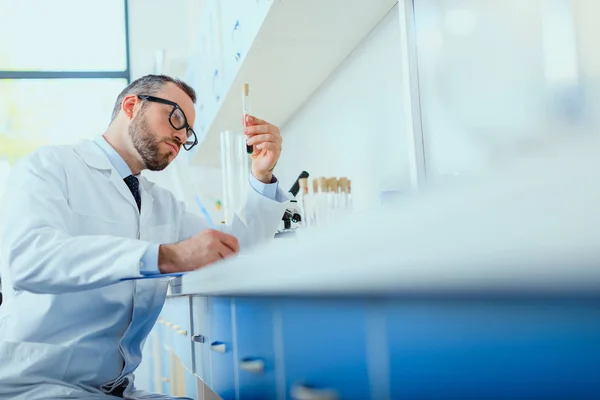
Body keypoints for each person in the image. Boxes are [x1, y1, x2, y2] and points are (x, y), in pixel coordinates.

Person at [0, 74, 289, 399]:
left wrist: (262, 176)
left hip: (116, 389)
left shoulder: (162, 204)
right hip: (37, 385)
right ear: (131, 105)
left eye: (188, 132)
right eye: (176, 118)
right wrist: (166, 256)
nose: (181, 137)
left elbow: (236, 251)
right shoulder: (50, 167)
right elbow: (27, 260)